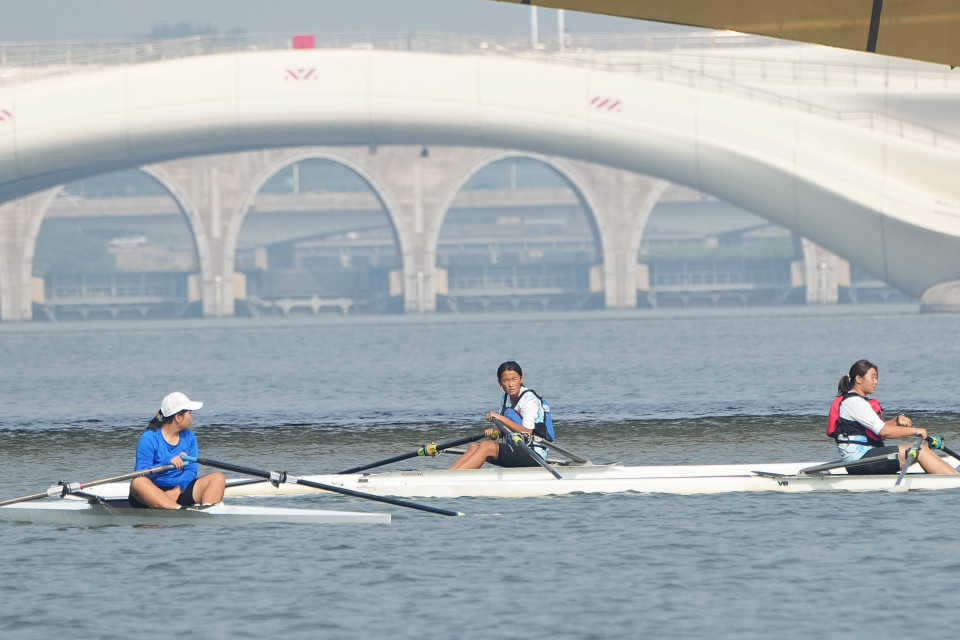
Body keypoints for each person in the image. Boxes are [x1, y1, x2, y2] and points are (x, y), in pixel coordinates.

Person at [828, 360, 957, 475]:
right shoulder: (854, 403)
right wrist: (915, 431)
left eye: (876, 377)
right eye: (872, 377)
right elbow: (883, 431)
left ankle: (953, 475)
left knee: (925, 449)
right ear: (859, 379)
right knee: (920, 451)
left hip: (869, 456)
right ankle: (955, 479)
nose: (876, 382)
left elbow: (876, 429)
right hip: (859, 462)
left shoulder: (859, 402)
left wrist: (896, 421)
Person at [128, 392, 226, 509]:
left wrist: (178, 489)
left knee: (218, 478)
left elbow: (191, 470)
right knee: (138, 482)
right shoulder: (148, 438)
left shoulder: (189, 437)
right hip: (152, 492)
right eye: (189, 413)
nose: (192, 417)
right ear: (178, 417)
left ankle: (207, 510)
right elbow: (141, 473)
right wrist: (168, 464)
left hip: (180, 489)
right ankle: (177, 509)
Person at [448, 361, 553, 470]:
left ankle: (450, 481)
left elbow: (527, 433)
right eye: (506, 381)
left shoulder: (529, 400)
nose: (510, 384)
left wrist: (500, 418)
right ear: (500, 382)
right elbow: (504, 428)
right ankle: (446, 476)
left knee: (485, 447)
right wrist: (496, 433)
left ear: (521, 379)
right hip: (516, 448)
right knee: (474, 446)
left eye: (514, 379)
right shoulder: (505, 397)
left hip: (533, 454)